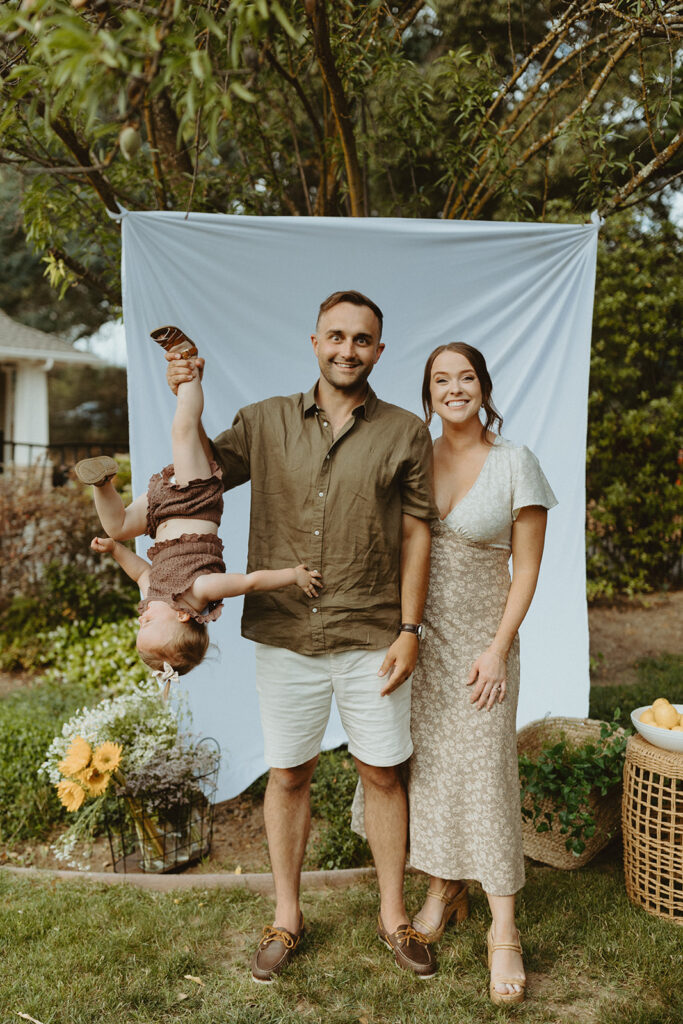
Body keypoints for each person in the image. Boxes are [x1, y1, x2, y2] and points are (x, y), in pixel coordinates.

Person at [165, 291, 438, 982]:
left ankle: (391, 914)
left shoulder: (405, 431)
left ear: (378, 350)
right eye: (336, 336)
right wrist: (186, 397)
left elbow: (415, 533)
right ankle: (286, 915)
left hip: (371, 630)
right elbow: (202, 473)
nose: (348, 349)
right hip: (286, 635)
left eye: (363, 340)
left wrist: (409, 628)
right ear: (314, 341)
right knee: (289, 773)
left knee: (380, 771)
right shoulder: (261, 422)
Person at [406, 342, 557, 1006]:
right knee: (432, 771)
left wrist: (498, 647)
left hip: (480, 646)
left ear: (483, 386)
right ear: (429, 393)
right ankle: (444, 887)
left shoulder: (514, 462)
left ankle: (504, 930)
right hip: (420, 642)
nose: (454, 388)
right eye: (441, 380)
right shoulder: (415, 458)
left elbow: (525, 570)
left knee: (487, 775)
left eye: (465, 377)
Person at [76, 327, 321, 676]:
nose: (141, 618)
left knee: (115, 526)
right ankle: (186, 362)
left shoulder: (153, 595)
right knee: (183, 429)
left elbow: (141, 572)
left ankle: (101, 482)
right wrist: (293, 575)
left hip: (161, 511)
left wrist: (116, 551)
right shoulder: (202, 589)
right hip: (194, 495)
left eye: (138, 627)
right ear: (182, 616)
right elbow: (251, 582)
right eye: (148, 626)